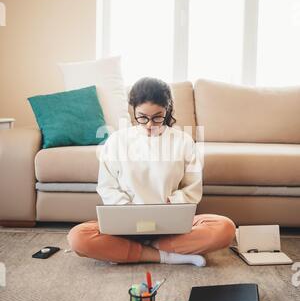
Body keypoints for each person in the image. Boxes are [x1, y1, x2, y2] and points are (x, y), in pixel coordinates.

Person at [68, 77, 236, 266]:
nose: (149, 124)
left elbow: (192, 188)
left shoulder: (183, 141)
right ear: (133, 110)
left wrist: (171, 203)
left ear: (167, 109)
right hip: (126, 226)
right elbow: (107, 187)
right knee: (78, 237)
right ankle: (165, 255)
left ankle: (132, 250)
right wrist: (127, 211)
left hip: (170, 225)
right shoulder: (117, 141)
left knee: (225, 228)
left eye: (157, 117)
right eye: (142, 117)